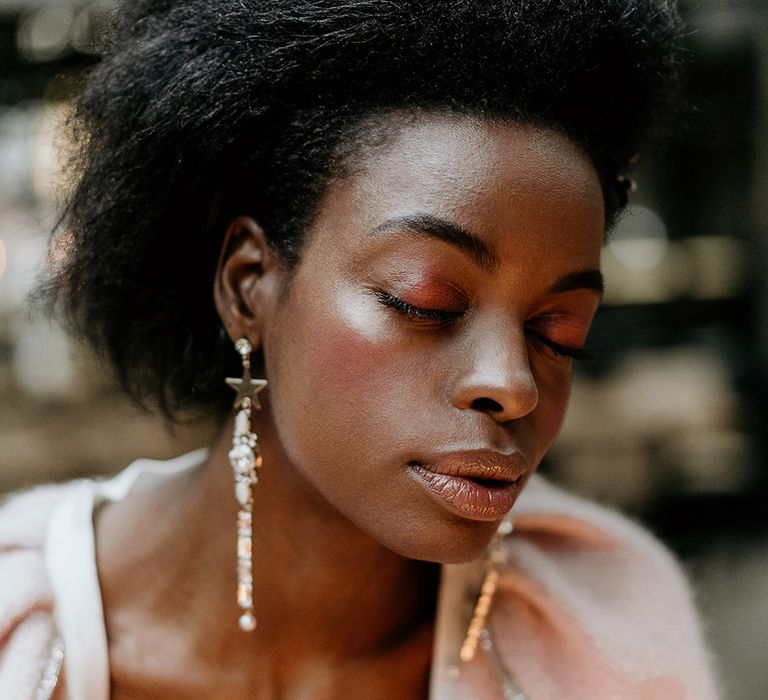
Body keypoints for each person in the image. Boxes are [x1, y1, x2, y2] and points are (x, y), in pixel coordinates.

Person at [0, 0, 719, 698]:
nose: (513, 384)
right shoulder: (21, 631)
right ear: (250, 285)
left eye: (557, 332)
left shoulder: (612, 633)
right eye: (423, 302)